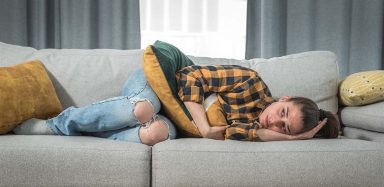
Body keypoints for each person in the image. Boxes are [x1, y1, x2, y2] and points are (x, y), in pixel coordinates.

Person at [13, 69, 177, 146]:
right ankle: (56, 124)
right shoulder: (199, 73)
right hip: (155, 84)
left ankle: (84, 129)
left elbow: (204, 131)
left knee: (154, 133)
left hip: (176, 118)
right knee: (143, 110)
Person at [177, 64, 340, 141]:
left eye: (284, 127)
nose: (274, 121)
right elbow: (190, 75)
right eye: (283, 112)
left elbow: (231, 133)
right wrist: (206, 129)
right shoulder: (248, 81)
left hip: (175, 124)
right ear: (285, 98)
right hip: (167, 92)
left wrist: (291, 139)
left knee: (155, 133)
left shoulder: (258, 131)